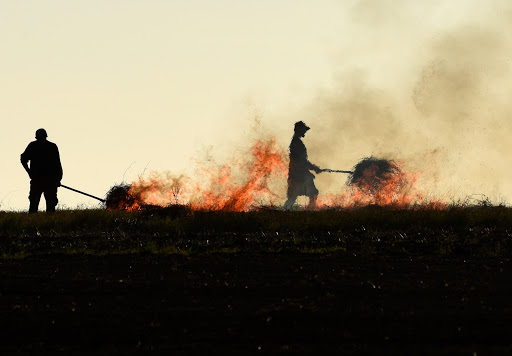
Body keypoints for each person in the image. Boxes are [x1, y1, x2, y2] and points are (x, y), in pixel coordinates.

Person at [20, 129, 63, 213]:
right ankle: (47, 223)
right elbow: (58, 165)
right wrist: (58, 179)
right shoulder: (52, 146)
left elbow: (23, 159)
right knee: (47, 205)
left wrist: (29, 172)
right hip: (48, 180)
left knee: (35, 205)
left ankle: (34, 223)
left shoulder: (34, 146)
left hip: (41, 180)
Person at [284, 121, 322, 209]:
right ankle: (310, 210)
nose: (305, 132)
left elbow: (302, 161)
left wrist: (313, 168)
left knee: (292, 197)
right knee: (313, 193)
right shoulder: (296, 143)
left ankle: (287, 210)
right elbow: (301, 161)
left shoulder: (296, 142)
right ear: (299, 130)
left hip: (296, 173)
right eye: (303, 130)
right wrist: (314, 168)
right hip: (299, 174)